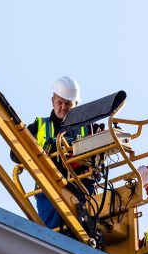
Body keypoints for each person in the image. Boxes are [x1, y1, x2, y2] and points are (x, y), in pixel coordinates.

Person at [14, 76, 91, 231]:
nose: (63, 107)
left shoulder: (88, 127)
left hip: (82, 189)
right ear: (52, 101)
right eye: (59, 102)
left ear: (76, 104)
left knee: (86, 233)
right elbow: (14, 154)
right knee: (52, 237)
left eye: (68, 103)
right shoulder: (38, 127)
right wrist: (40, 155)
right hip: (48, 190)